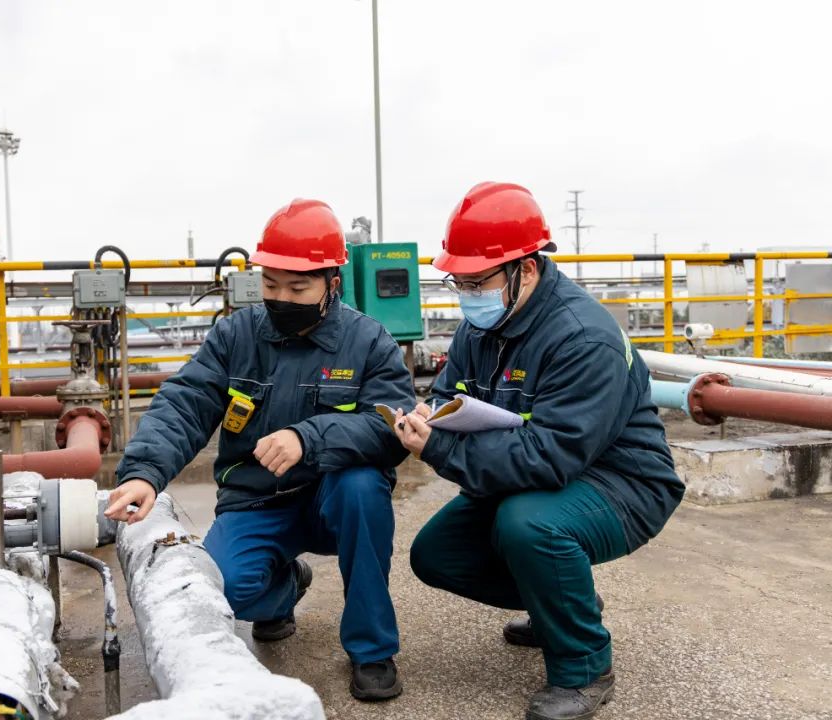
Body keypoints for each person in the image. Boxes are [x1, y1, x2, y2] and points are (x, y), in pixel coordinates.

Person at [393, 182, 684, 720]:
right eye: (459, 282)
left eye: (477, 282)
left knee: (527, 525)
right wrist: (429, 415)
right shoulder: (481, 328)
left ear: (525, 270)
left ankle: (584, 666)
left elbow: (551, 456)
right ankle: (563, 602)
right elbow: (449, 393)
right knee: (435, 555)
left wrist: (441, 449)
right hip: (539, 474)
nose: (466, 295)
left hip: (622, 484)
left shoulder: (582, 337)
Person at [106, 198, 415, 701]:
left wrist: (308, 438)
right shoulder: (236, 335)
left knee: (363, 487)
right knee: (224, 592)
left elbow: (389, 428)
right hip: (258, 498)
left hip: (333, 498)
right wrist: (144, 472)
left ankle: (372, 648)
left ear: (332, 282)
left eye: (298, 288)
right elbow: (185, 402)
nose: (281, 298)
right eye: (270, 285)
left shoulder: (368, 342)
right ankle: (285, 585)